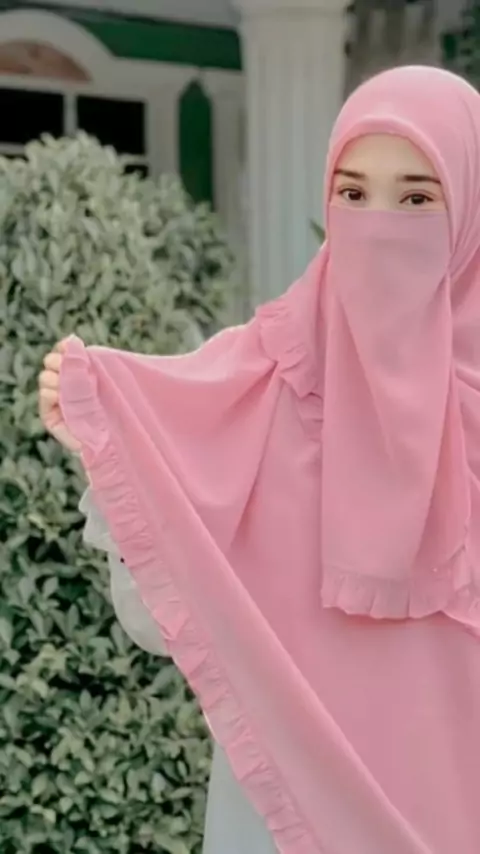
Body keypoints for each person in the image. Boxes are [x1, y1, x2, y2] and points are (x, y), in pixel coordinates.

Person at [38, 65, 480, 854]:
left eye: (417, 199)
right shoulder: (261, 378)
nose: (379, 224)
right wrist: (111, 445)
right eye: (352, 193)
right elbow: (165, 617)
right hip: (286, 809)